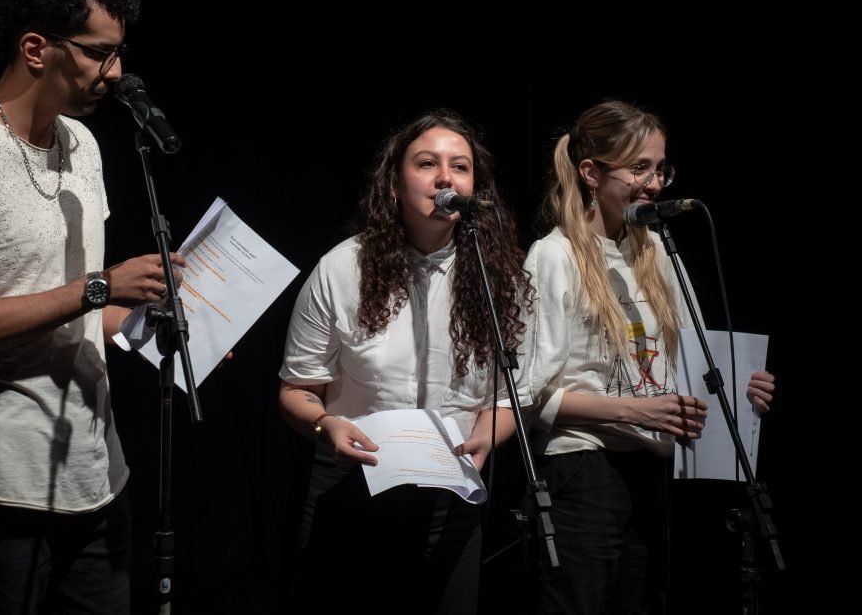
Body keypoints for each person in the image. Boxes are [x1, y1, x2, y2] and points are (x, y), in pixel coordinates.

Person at [0, 0, 183, 613]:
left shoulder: (82, 144)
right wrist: (100, 286)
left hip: (93, 472)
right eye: (99, 52)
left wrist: (162, 327)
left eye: (118, 52)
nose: (117, 72)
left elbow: (86, 313)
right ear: (37, 48)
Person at [519, 99, 776, 615]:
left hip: (651, 470)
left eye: (661, 169)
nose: (654, 184)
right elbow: (530, 396)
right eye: (639, 168)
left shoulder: (656, 250)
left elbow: (696, 359)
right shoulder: (553, 256)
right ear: (591, 173)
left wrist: (741, 389)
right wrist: (634, 411)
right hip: (580, 470)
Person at [277, 109, 533, 615]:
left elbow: (515, 393)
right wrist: (327, 423)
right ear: (395, 184)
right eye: (426, 163)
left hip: (452, 496)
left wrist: (486, 435)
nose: (445, 177)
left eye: (460, 167)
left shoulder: (498, 274)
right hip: (353, 490)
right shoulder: (342, 268)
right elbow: (295, 390)